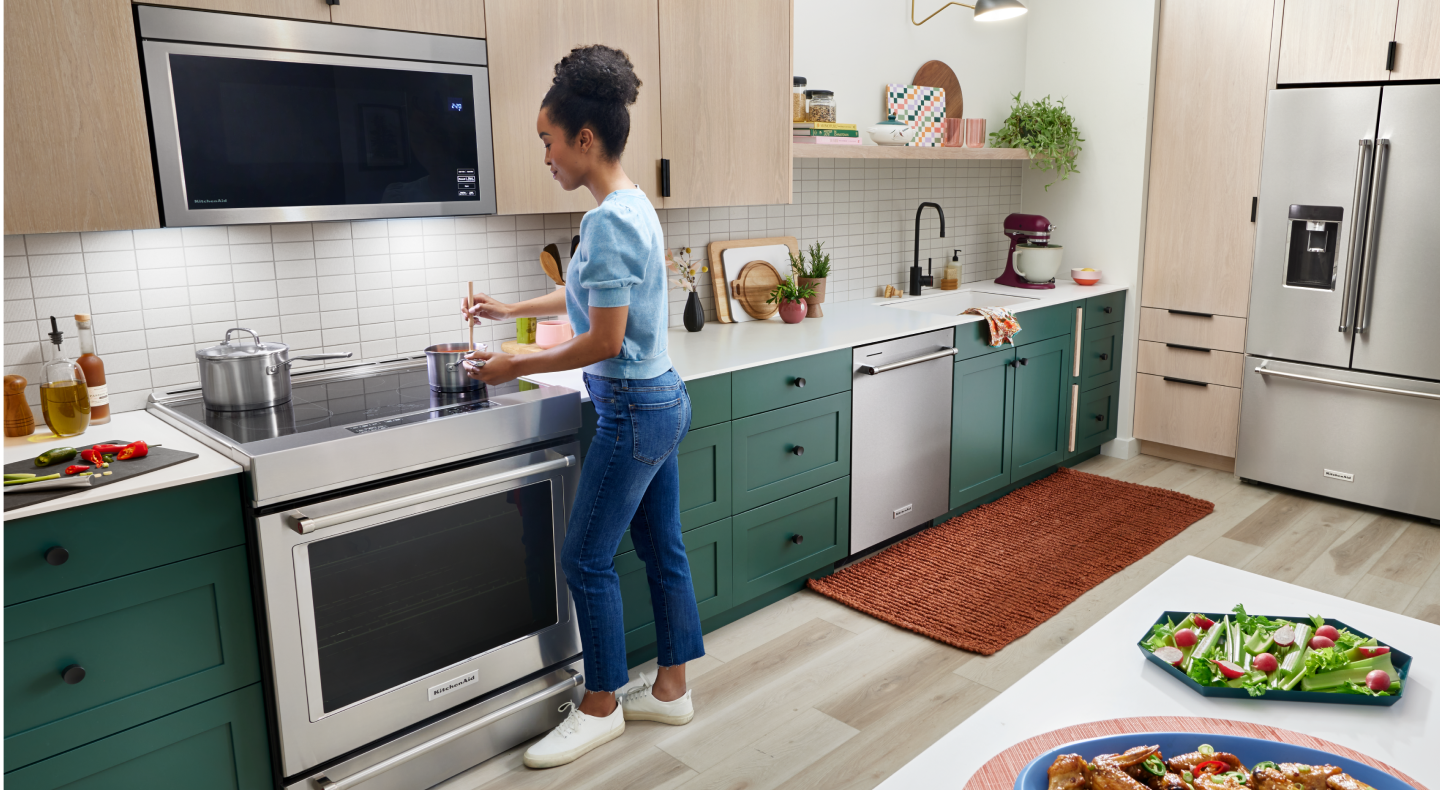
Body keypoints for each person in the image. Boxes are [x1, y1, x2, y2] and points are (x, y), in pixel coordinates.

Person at [460, 45, 704, 770]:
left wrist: (516, 364)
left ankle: (601, 706)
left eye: (547, 140)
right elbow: (594, 297)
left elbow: (603, 336)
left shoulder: (605, 222)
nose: (545, 155)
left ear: (584, 139)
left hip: (633, 409)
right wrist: (511, 307)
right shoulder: (632, 206)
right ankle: (671, 689)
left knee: (585, 560)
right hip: (662, 400)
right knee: (664, 551)